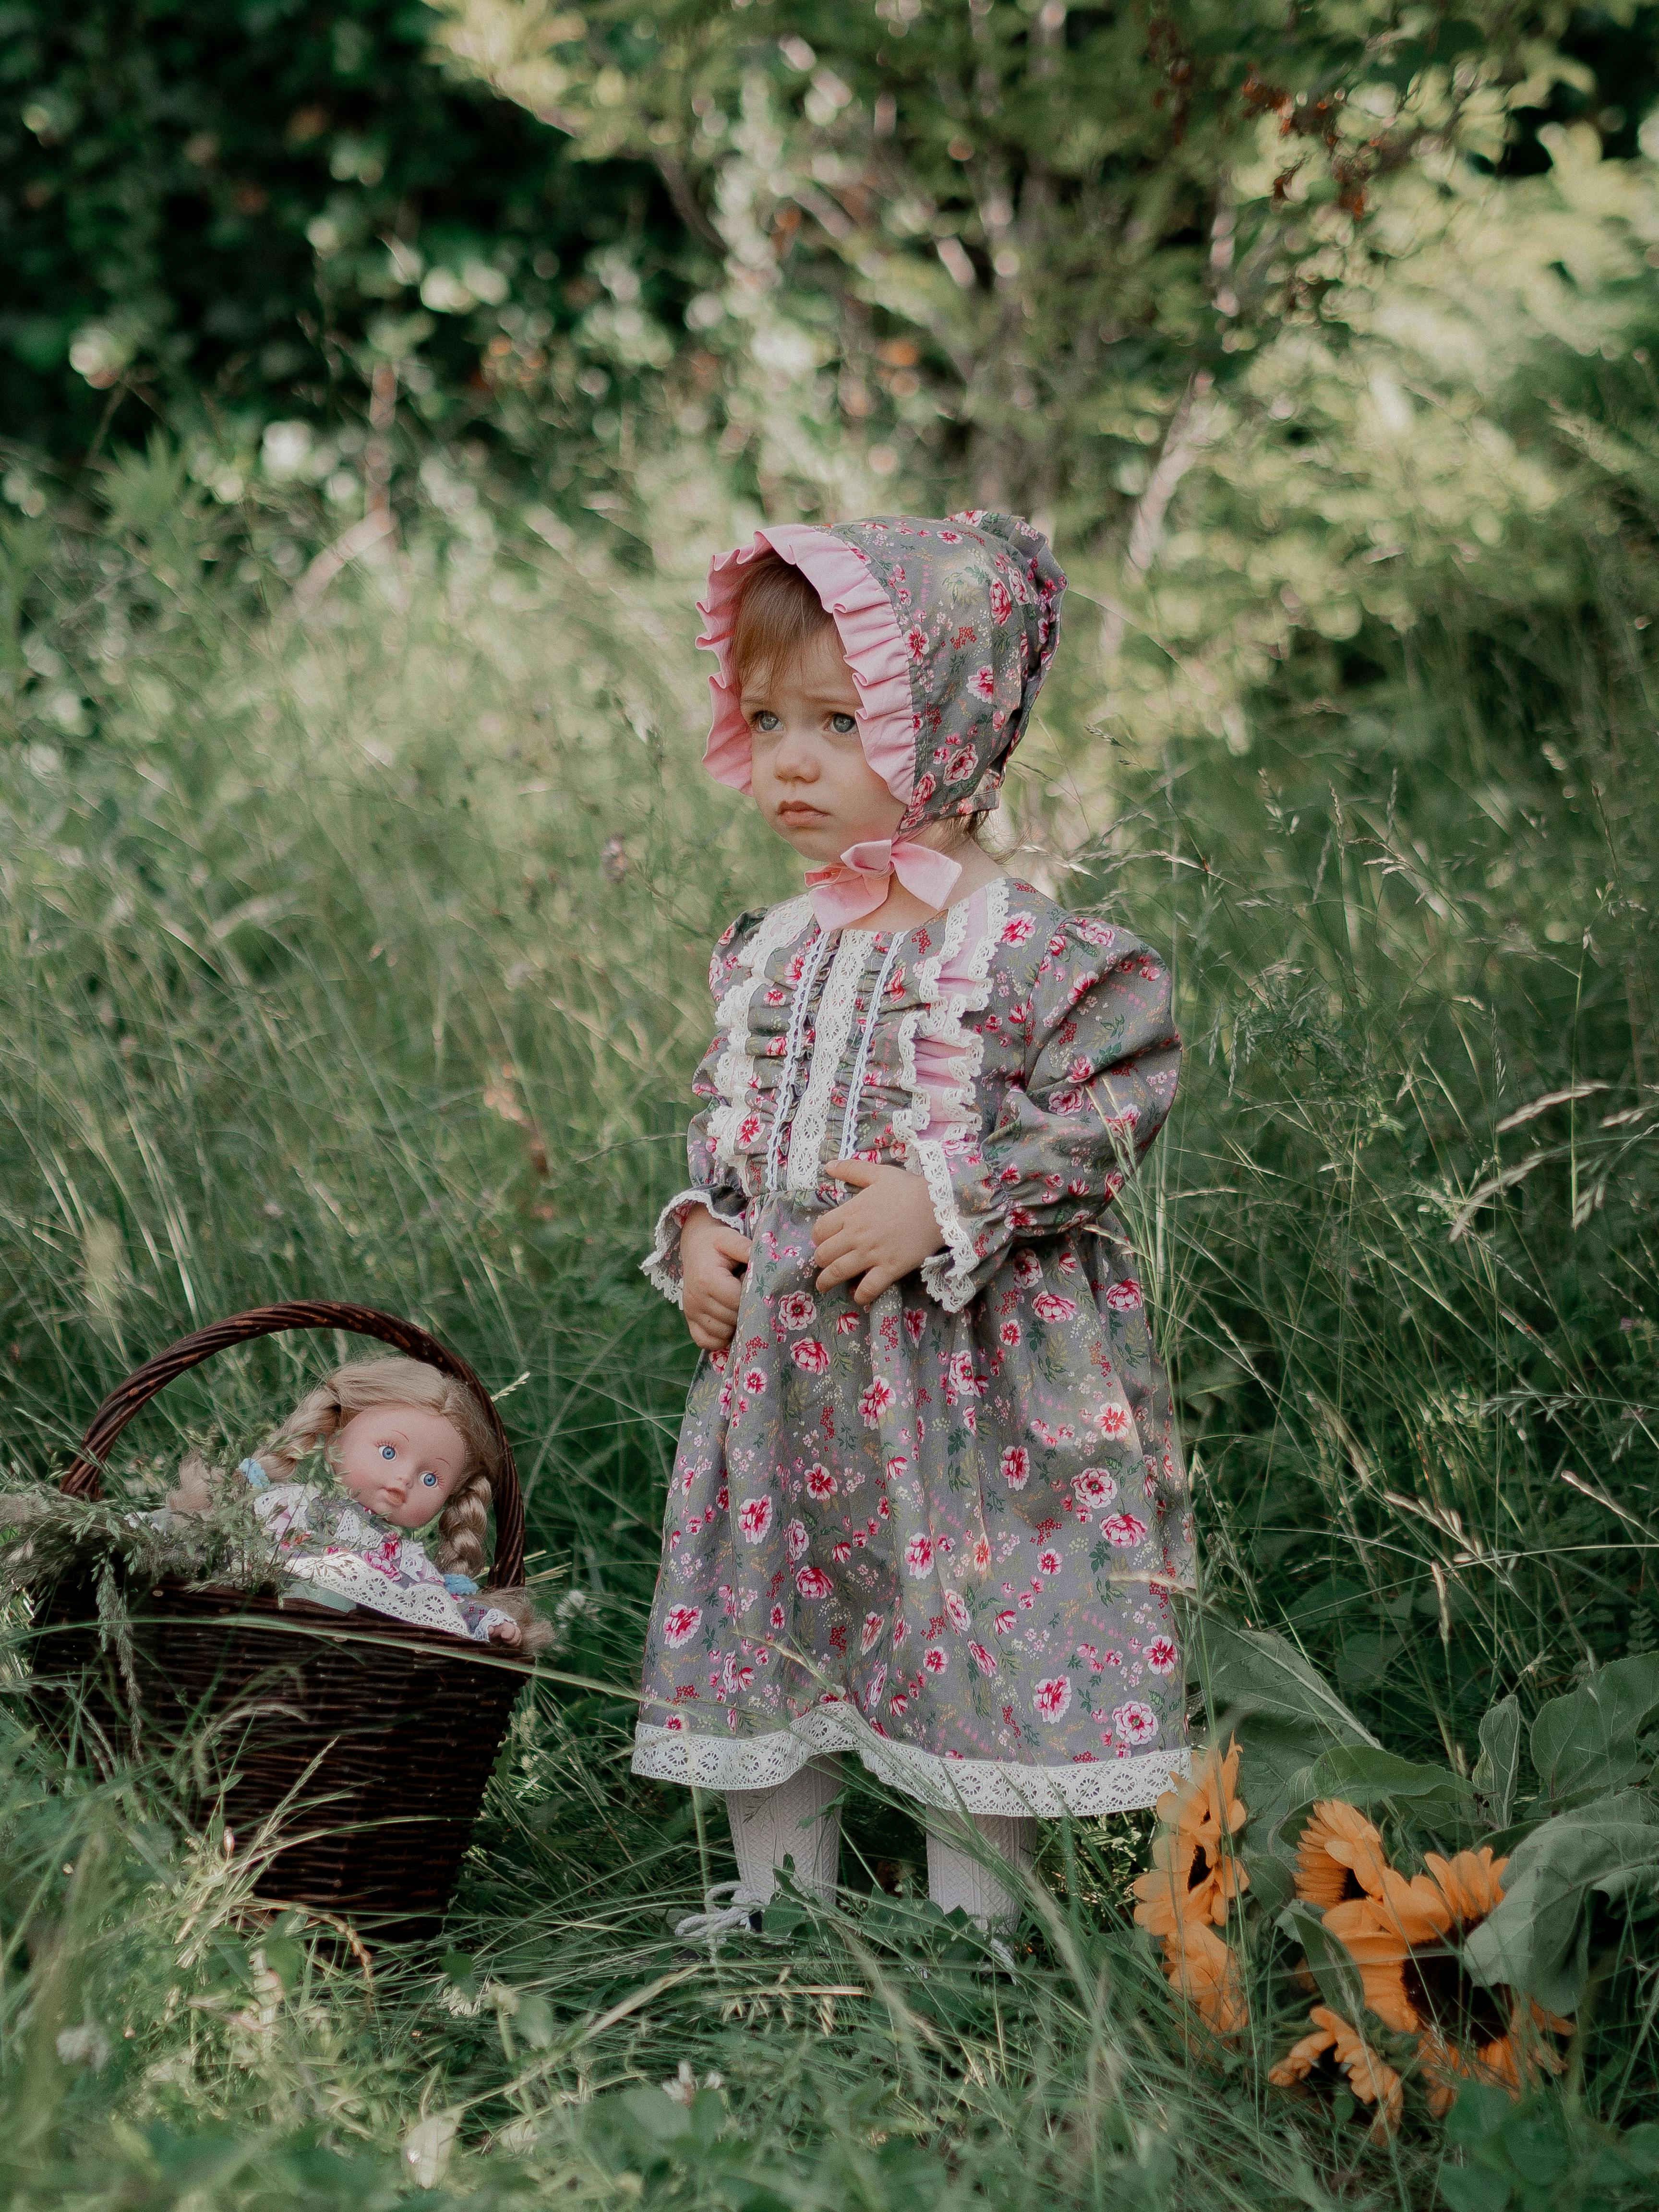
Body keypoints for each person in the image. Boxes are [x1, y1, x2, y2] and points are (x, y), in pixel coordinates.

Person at [636, 512, 1192, 1941]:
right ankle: (775, 1900)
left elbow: (1114, 1100)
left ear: (951, 726)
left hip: (964, 1381)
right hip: (780, 1386)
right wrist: (702, 1228)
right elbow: (727, 1113)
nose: (792, 760)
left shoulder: (1021, 949)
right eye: (767, 721)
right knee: (773, 1614)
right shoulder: (776, 946)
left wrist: (954, 1195)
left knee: (963, 1621)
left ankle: (975, 1923)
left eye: (840, 720)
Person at [169, 1356, 545, 1647]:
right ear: (335, 1443)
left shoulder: (408, 1561)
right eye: (387, 1452)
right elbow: (223, 1539)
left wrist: (488, 1621)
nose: (404, 1479)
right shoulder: (293, 1508)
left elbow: (446, 1611)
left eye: (430, 1479)